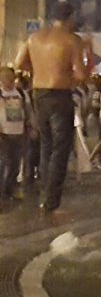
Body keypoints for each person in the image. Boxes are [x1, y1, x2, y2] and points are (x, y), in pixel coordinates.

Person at [13, 0, 87, 213]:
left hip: (39, 93)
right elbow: (81, 74)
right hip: (60, 94)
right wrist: (69, 76)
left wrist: (38, 69)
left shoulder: (34, 37)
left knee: (46, 145)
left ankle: (45, 194)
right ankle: (52, 201)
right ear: (71, 17)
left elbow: (19, 64)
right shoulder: (72, 40)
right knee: (60, 148)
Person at [0, 66, 33, 201]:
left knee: (15, 163)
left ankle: (9, 190)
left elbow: (29, 111)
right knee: (3, 163)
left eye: (10, 77)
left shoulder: (21, 93)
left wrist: (32, 127)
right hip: (3, 134)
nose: (7, 80)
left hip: (19, 132)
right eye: (4, 77)